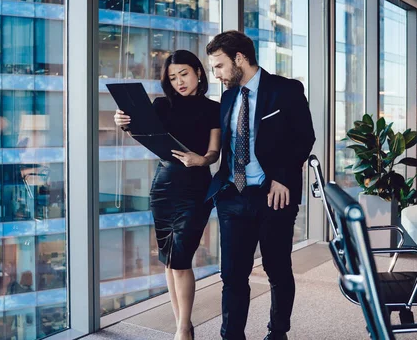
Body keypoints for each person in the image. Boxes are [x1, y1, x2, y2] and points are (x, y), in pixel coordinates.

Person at [205, 31, 315, 340]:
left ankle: (277, 333)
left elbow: (304, 137)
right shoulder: (227, 97)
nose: (216, 74)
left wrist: (282, 176)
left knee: (277, 270)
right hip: (232, 196)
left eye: (219, 66)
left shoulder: (286, 90)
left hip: (273, 195)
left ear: (239, 59)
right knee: (232, 276)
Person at [114, 49, 221, 340]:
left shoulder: (214, 108)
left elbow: (213, 152)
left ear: (199, 72)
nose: (179, 82)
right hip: (164, 185)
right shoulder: (161, 105)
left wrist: (202, 159)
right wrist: (124, 124)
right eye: (173, 77)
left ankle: (184, 328)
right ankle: (180, 324)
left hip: (196, 186)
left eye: (184, 74)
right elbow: (145, 135)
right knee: (169, 258)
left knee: (182, 257)